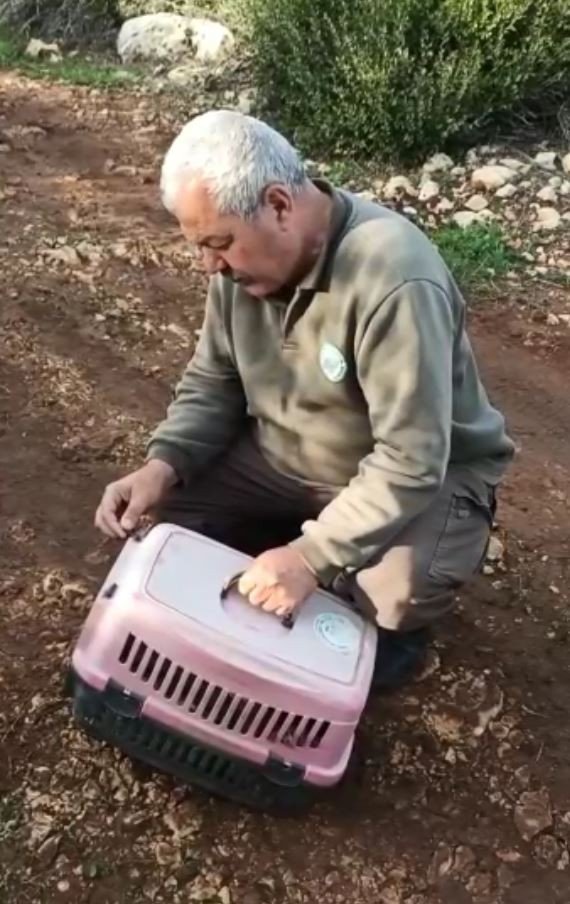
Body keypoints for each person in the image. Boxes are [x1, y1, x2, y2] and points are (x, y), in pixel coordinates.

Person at [95, 110, 514, 690]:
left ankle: (341, 578)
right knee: (166, 518)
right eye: (200, 246)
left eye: (219, 243)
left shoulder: (392, 276)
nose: (209, 265)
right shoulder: (238, 274)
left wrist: (310, 558)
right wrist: (161, 465)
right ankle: (303, 540)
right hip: (286, 456)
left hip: (418, 477)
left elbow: (412, 460)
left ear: (279, 205)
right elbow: (214, 381)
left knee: (394, 597)